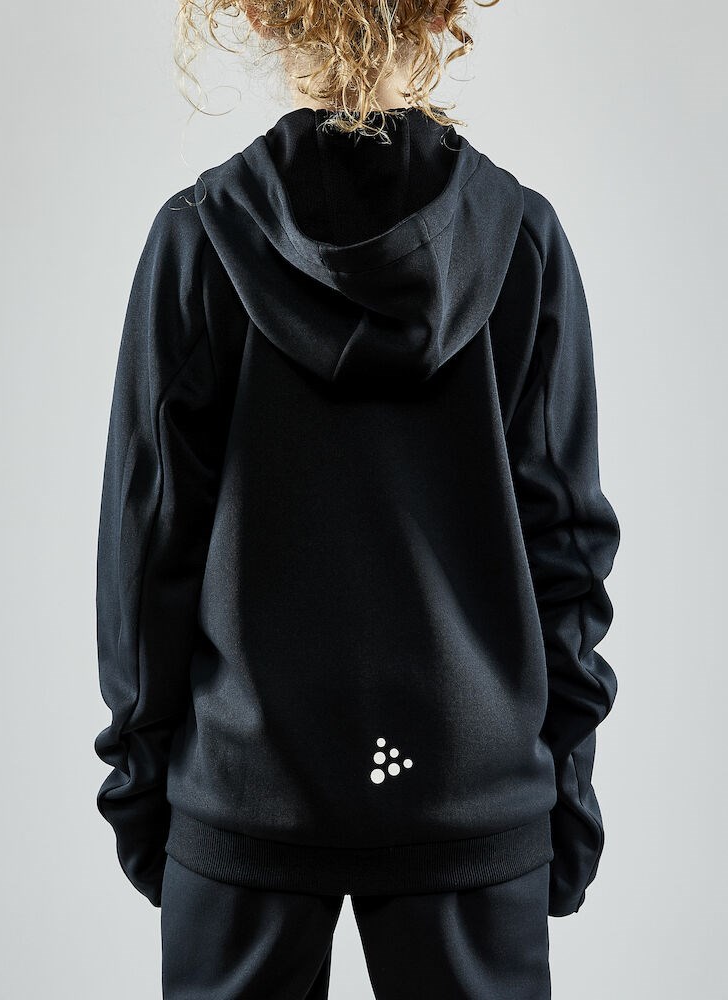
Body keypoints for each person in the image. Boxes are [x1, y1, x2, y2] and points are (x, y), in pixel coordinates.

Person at [93, 0, 621, 996]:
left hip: (247, 797)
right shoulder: (522, 241)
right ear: (441, 18)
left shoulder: (199, 238)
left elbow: (147, 545)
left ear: (266, 20)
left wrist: (143, 793)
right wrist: (567, 800)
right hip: (472, 801)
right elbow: (567, 551)